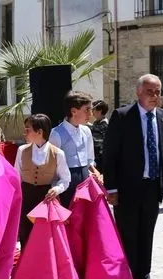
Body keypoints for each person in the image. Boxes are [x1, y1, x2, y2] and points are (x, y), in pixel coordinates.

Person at [101, 74, 163, 279]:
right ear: (138, 93)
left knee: (146, 234)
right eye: (150, 92)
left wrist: (162, 183)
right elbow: (110, 153)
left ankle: (143, 278)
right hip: (127, 188)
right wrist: (111, 188)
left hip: (152, 186)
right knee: (128, 234)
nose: (155, 96)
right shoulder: (123, 116)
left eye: (158, 92)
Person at [14, 114, 70, 248]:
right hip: (26, 198)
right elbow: (16, 176)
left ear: (39, 132)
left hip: (45, 199)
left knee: (44, 239)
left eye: (28, 130)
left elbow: (65, 179)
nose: (24, 132)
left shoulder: (58, 153)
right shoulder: (22, 150)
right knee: (25, 234)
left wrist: (56, 189)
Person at [50, 92, 102, 208]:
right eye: (87, 110)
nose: (91, 114)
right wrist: (55, 188)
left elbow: (89, 158)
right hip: (67, 183)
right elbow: (53, 166)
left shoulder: (86, 131)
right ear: (73, 111)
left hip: (85, 181)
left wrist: (94, 170)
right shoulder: (56, 133)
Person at [90, 100, 110, 164]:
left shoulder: (104, 125)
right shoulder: (96, 123)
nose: (92, 112)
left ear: (100, 111)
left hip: (101, 158)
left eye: (94, 109)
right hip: (96, 156)